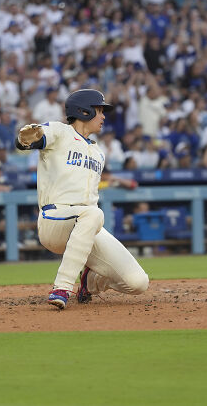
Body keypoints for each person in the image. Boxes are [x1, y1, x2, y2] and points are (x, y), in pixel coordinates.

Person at [15, 89, 149, 309]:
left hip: (87, 224)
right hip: (55, 219)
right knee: (93, 213)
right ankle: (62, 287)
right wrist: (28, 137)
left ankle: (90, 281)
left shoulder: (99, 152)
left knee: (138, 283)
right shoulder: (60, 132)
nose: (103, 116)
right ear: (83, 111)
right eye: (99, 110)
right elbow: (31, 138)